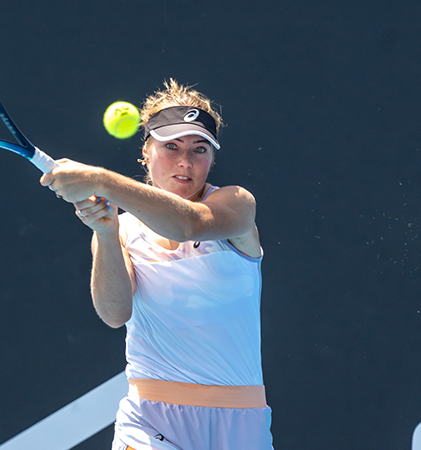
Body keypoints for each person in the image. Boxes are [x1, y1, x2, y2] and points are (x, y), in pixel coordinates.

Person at [40, 79, 273, 449]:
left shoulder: (237, 205)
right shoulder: (123, 228)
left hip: (239, 426)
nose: (185, 161)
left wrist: (102, 180)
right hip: (149, 419)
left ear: (212, 159)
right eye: (171, 146)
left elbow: (186, 225)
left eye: (200, 149)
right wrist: (105, 233)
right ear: (145, 152)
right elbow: (115, 313)